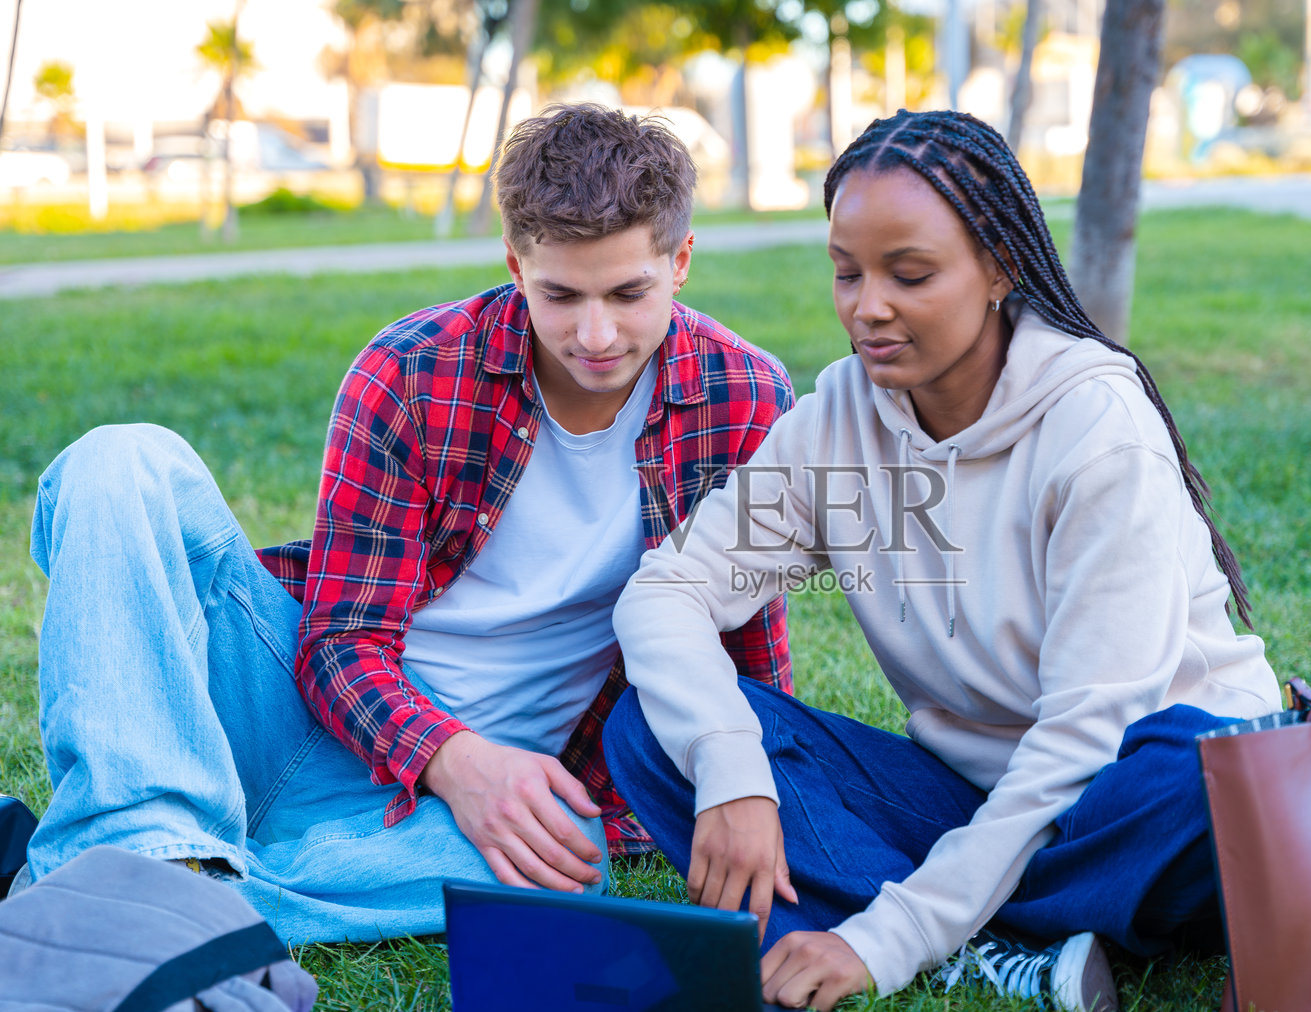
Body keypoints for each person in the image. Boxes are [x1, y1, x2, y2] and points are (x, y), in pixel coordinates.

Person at [16, 103, 794, 944]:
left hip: (451, 813)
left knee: (575, 859)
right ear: (514, 262)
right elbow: (341, 640)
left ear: (680, 262)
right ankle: (147, 846)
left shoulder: (743, 397)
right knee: (119, 460)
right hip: (282, 709)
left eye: (628, 293)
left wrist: (762, 791)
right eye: (560, 294)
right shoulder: (413, 371)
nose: (594, 333)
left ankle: (151, 885)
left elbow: (743, 640)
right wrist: (455, 760)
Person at [603, 110, 1279, 1012]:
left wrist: (887, 936)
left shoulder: (1097, 431)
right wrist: (730, 765)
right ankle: (1005, 953)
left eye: (909, 274)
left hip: (1130, 803)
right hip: (973, 799)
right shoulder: (837, 424)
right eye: (846, 272)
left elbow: (1084, 740)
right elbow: (666, 592)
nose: (866, 306)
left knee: (1204, 773)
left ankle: (929, 927)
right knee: (652, 725)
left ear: (1000, 267)